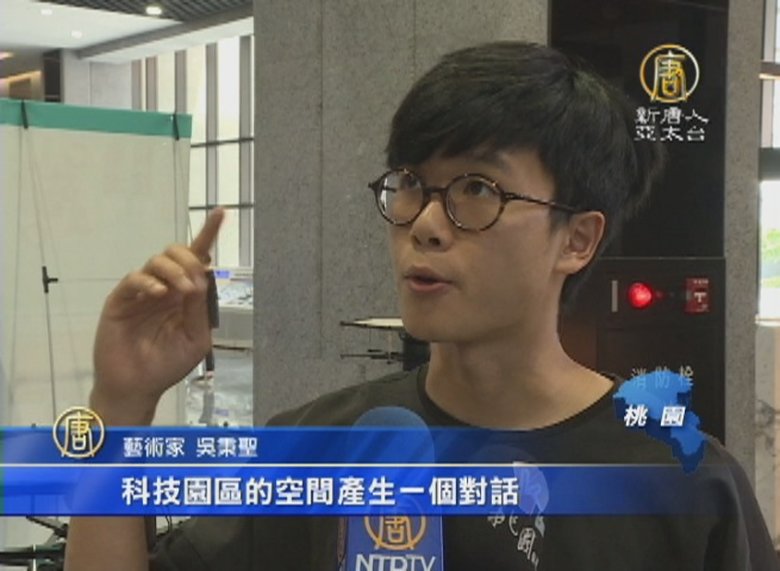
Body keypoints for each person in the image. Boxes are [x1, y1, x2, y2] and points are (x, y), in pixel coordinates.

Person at [64, 41, 778, 570]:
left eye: (477, 189)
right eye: (411, 184)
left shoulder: (683, 481)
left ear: (577, 239)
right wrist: (120, 402)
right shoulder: (313, 450)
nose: (426, 223)